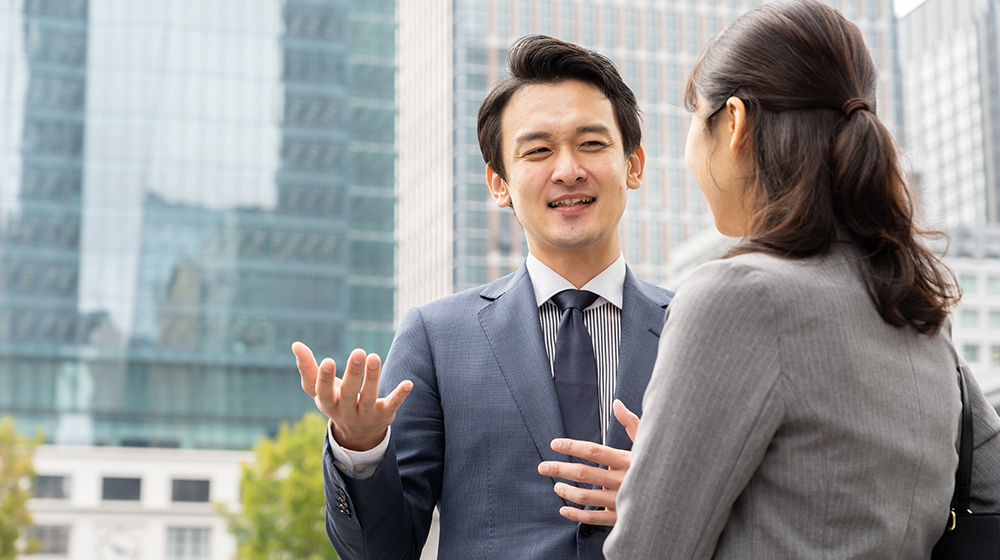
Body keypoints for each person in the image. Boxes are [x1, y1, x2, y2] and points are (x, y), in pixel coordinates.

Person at [602, 1, 1000, 558]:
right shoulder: (918, 311)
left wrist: (655, 488)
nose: (689, 152)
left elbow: (648, 551)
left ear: (735, 122)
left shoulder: (737, 297)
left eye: (694, 119)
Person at [293, 35, 672, 559]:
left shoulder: (696, 329)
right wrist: (360, 448)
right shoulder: (437, 336)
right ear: (499, 183)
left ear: (633, 165)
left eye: (591, 143)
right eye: (538, 151)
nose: (568, 170)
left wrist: (662, 496)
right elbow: (380, 550)